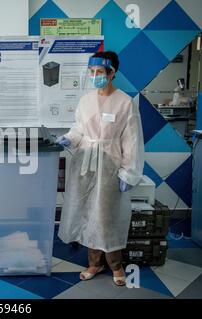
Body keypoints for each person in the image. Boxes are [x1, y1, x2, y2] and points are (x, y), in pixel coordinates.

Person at [57, 51, 145, 286]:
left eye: (99, 72)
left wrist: (129, 172)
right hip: (85, 164)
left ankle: (116, 266)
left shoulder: (125, 102)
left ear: (112, 73)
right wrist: (68, 138)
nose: (94, 76)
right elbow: (79, 129)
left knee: (107, 217)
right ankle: (94, 263)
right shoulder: (85, 101)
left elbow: (132, 140)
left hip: (110, 167)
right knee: (87, 213)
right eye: (92, 72)